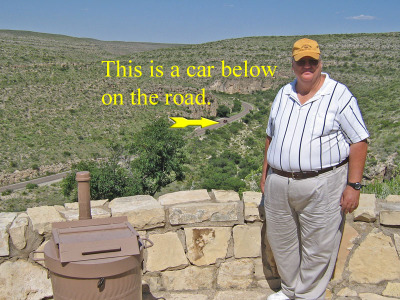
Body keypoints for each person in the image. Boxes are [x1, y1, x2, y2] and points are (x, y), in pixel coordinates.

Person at [260, 38, 369, 300]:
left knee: (318, 246)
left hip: (322, 182)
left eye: (312, 61)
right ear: (293, 64)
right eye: (301, 61)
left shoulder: (339, 95)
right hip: (278, 182)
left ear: (321, 62)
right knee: (281, 242)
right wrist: (264, 175)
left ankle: (309, 295)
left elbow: (359, 141)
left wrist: (353, 186)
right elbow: (270, 136)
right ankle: (289, 290)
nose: (307, 66)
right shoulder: (283, 93)